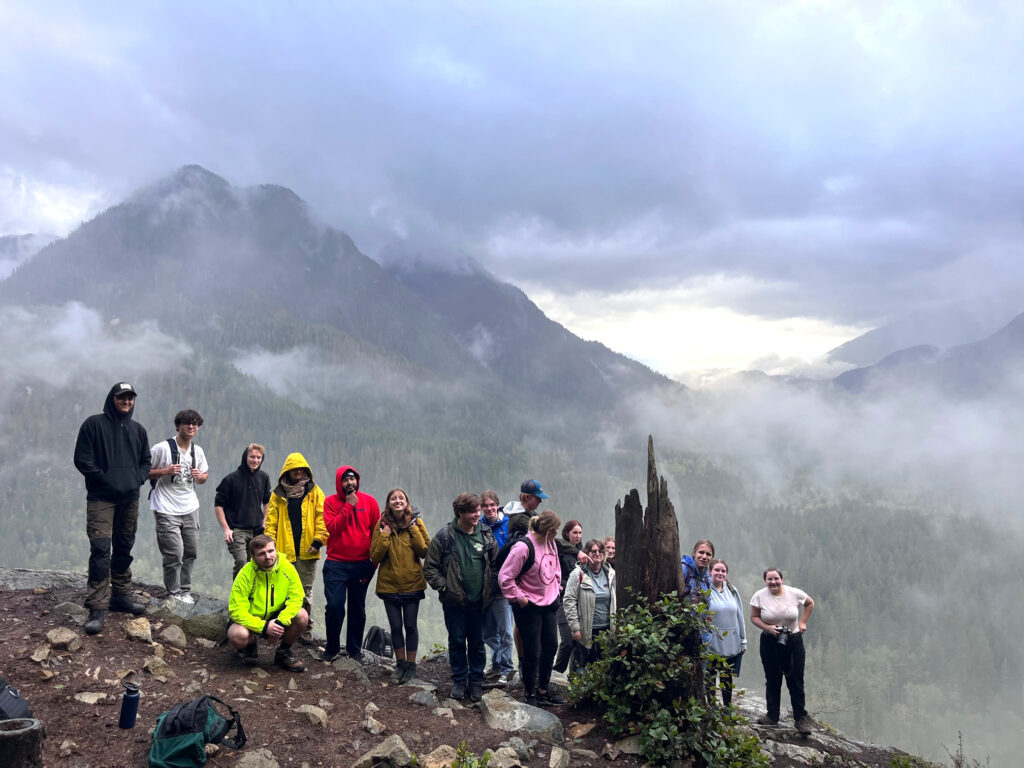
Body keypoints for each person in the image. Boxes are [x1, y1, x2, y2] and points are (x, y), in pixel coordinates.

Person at [73, 382, 151, 635]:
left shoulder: (138, 430)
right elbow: (82, 460)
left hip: (130, 498)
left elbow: (145, 461)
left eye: (130, 398)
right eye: (122, 397)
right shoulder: (93, 424)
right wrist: (105, 480)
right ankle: (96, 606)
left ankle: (120, 597)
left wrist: (136, 479)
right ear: (112, 398)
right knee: (100, 549)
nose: (126, 401)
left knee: (124, 545)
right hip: (101, 499)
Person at [423, 493, 498, 702]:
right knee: (456, 642)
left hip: (479, 602)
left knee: (477, 643)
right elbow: (429, 568)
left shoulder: (485, 533)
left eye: (478, 510)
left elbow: (495, 564)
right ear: (460, 513)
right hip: (454, 603)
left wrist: (491, 589)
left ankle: (475, 683)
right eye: (473, 511)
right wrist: (445, 589)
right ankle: (458, 681)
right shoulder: (445, 536)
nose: (477, 514)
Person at [499, 509, 564, 708]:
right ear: (549, 530)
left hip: (549, 601)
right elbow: (504, 577)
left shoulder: (550, 542)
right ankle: (530, 693)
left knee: (550, 646)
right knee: (532, 650)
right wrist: (519, 597)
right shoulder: (523, 548)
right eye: (556, 530)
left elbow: (556, 567)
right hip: (529, 605)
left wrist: (557, 586)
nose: (557, 534)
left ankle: (544, 690)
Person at [148, 409, 209, 604]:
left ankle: (185, 590)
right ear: (178, 426)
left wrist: (200, 477)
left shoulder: (197, 451)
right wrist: (165, 471)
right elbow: (142, 471)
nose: (191, 427)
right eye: (186, 423)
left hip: (190, 507)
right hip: (166, 507)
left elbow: (204, 476)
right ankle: (173, 593)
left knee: (190, 552)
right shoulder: (162, 448)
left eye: (195, 424)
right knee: (174, 553)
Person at [370, 487, 429, 684]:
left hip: (412, 584)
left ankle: (411, 666)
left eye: (401, 498)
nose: (397, 501)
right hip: (389, 585)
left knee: (410, 626)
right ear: (388, 503)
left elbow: (424, 551)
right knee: (396, 626)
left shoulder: (416, 522)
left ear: (406, 501)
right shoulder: (382, 524)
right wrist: (385, 534)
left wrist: (413, 528)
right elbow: (375, 555)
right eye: (393, 498)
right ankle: (400, 664)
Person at [266, 453, 327, 644]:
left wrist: (318, 541)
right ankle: (283, 627)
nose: (299, 472)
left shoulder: (314, 491)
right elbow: (271, 522)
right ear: (288, 471)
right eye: (295, 469)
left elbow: (322, 517)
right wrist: (271, 546)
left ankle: (305, 628)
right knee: (283, 591)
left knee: (305, 591)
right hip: (284, 552)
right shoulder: (278, 494)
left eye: (301, 469)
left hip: (308, 551)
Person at [322, 465, 380, 662]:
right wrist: (349, 506)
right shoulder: (330, 502)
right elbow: (332, 529)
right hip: (336, 563)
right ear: (340, 483)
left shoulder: (370, 502)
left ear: (358, 480)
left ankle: (354, 651)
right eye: (345, 480)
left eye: (353, 479)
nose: (350, 483)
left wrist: (373, 564)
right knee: (335, 606)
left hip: (362, 563)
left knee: (358, 608)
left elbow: (376, 533)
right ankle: (332, 649)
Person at [226, 534, 308, 672]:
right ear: (253, 556)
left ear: (276, 550)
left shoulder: (286, 568)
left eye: (271, 551)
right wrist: (264, 627)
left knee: (302, 615)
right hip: (252, 617)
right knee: (237, 634)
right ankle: (250, 645)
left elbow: (297, 597)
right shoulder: (245, 574)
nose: (268, 556)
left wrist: (280, 622)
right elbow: (236, 610)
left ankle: (283, 652)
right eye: (261, 554)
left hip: (277, 617)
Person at [749, 567, 815, 733]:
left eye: (776, 579)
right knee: (772, 679)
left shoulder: (794, 593)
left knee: (796, 680)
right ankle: (772, 716)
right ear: (765, 581)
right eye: (769, 579)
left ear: (782, 579)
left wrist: (802, 623)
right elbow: (754, 617)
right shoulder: (759, 596)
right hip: (769, 641)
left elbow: (809, 603)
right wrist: (768, 628)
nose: (773, 582)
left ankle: (801, 719)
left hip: (793, 640)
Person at [214, 443, 272, 578]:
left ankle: (252, 596)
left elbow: (267, 500)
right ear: (245, 457)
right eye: (252, 457)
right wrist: (226, 529)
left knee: (256, 563)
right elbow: (218, 505)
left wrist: (264, 521)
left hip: (257, 530)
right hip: (237, 530)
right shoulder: (231, 479)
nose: (255, 460)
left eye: (259, 457)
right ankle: (238, 596)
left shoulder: (263, 477)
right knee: (241, 561)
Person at [562, 538, 616, 672]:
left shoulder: (611, 574)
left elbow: (616, 601)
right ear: (587, 553)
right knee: (583, 667)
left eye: (600, 551)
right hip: (586, 630)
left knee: (604, 668)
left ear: (603, 554)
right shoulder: (578, 574)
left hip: (606, 630)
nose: (597, 554)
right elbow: (569, 601)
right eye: (593, 551)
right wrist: (575, 627)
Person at [480, 490, 515, 686]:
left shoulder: (507, 525)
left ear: (497, 505)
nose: (489, 508)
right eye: (485, 506)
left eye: (492, 505)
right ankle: (496, 663)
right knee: (488, 632)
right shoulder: (479, 525)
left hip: (503, 587)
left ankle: (506, 668)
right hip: (485, 587)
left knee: (506, 631)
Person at [706, 558, 746, 707]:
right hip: (711, 642)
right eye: (717, 570)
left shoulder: (732, 590)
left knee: (726, 677)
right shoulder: (705, 590)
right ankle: (711, 707)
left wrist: (743, 640)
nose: (720, 573)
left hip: (731, 643)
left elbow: (740, 616)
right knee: (709, 677)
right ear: (710, 571)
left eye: (723, 571)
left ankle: (727, 707)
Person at [552, 519, 583, 674]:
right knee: (567, 641)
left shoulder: (583, 553)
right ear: (567, 534)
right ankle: (556, 672)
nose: (577, 536)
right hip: (562, 600)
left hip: (580, 601)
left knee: (579, 642)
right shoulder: (560, 551)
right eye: (574, 533)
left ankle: (574, 675)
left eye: (579, 533)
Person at [681, 539, 714, 604]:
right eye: (701, 552)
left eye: (708, 554)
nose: (704, 557)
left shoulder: (708, 578)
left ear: (712, 558)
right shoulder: (684, 569)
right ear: (694, 553)